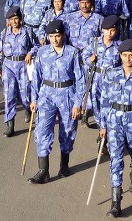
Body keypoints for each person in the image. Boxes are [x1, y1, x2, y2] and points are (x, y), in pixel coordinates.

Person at [99, 39, 132, 218]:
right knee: (115, 160)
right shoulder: (111, 74)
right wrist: (103, 125)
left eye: (131, 55)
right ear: (120, 56)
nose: (128, 59)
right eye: (124, 55)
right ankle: (116, 202)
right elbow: (105, 101)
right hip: (114, 121)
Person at [28, 20, 86, 184]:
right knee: (41, 130)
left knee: (67, 131)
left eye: (57, 36)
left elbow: (80, 80)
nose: (54, 39)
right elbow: (36, 77)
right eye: (51, 36)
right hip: (46, 95)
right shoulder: (42, 52)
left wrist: (78, 103)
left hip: (67, 93)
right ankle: (43, 171)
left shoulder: (73, 53)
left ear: (63, 35)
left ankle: (64, 165)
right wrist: (34, 99)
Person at [0, 7, 39, 137]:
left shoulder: (28, 32)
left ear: (20, 19)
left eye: (16, 19)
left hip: (23, 65)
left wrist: (30, 53)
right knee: (9, 96)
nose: (14, 22)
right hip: (8, 66)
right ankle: (10, 125)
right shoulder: (4, 33)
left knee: (25, 96)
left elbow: (37, 45)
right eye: (11, 19)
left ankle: (27, 108)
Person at [82, 15, 121, 140]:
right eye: (107, 30)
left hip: (111, 81)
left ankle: (108, 132)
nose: (109, 33)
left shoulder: (119, 46)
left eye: (112, 30)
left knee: (110, 107)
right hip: (97, 80)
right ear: (102, 30)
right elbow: (84, 55)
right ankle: (101, 130)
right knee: (96, 106)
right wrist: (89, 60)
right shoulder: (95, 43)